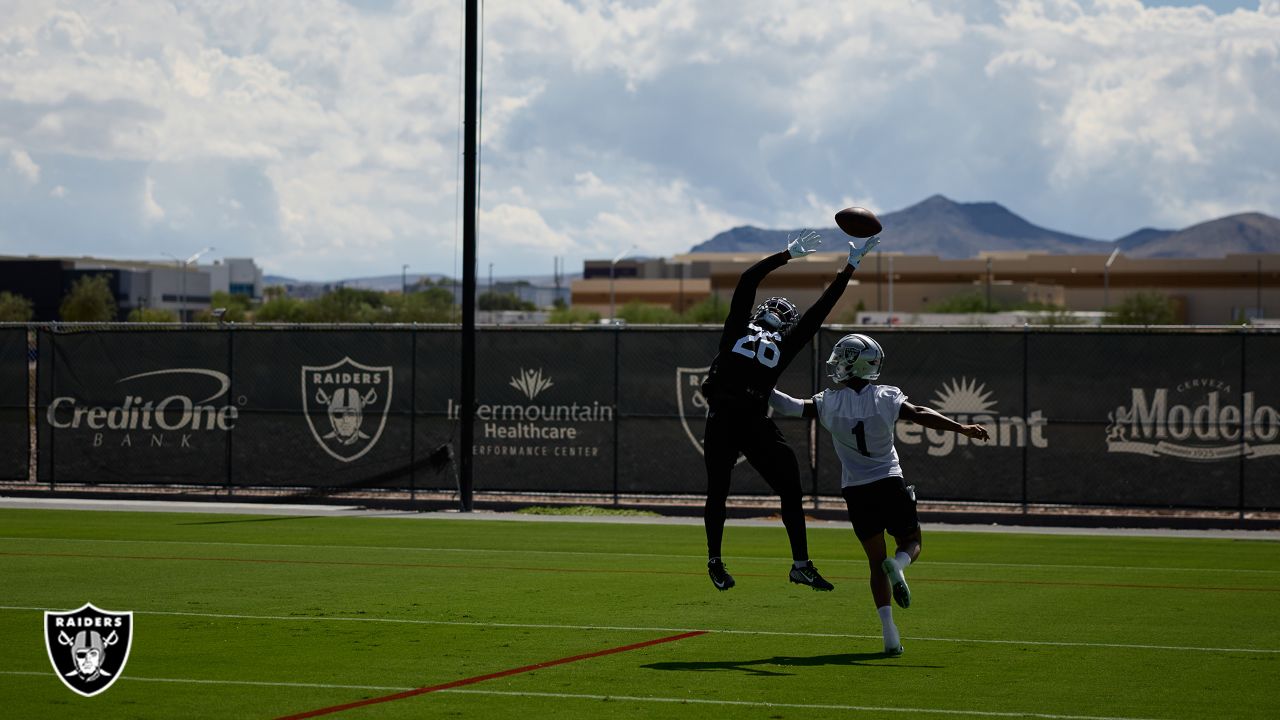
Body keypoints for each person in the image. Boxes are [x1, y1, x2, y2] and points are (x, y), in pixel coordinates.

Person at [768, 333, 989, 654]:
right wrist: (962, 428)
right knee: (911, 543)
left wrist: (760, 385)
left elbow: (789, 406)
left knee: (874, 563)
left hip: (856, 491)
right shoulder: (886, 396)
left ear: (852, 364)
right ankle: (899, 565)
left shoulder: (830, 401)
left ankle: (890, 635)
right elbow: (920, 413)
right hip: (889, 481)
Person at [701, 230, 881, 592]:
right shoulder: (772, 337)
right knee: (724, 490)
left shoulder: (749, 331)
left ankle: (795, 564)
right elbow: (818, 309)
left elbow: (753, 281)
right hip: (738, 416)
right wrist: (848, 265)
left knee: (781, 486)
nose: (777, 313)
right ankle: (719, 561)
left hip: (739, 417)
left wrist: (790, 256)